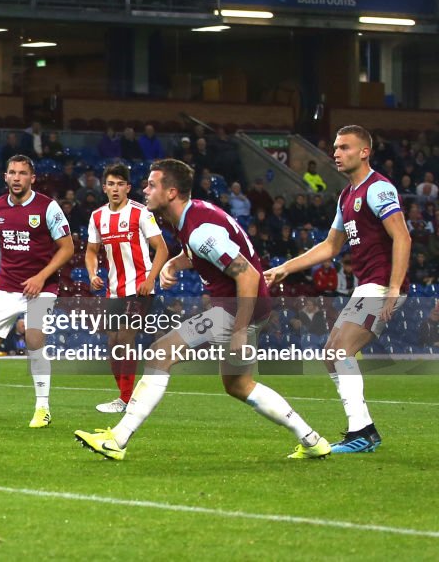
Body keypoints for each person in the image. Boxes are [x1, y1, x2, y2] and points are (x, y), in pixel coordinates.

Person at [75, 158, 331, 460]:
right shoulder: (191, 218)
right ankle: (312, 440)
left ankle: (117, 439)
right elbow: (204, 253)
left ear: (171, 192)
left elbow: (246, 274)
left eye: (152, 185)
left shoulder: (199, 230)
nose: (144, 190)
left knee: (160, 353)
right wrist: (175, 262)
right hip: (247, 306)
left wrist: (238, 331)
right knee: (238, 385)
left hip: (237, 307)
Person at [265, 125, 410, 454]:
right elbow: (330, 246)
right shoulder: (346, 196)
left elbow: (403, 236)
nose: (336, 153)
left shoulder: (378, 189)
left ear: (364, 152)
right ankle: (364, 431)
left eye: (344, 147)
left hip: (382, 284)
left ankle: (362, 432)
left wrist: (394, 288)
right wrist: (285, 268)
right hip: (368, 286)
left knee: (338, 351)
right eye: (335, 147)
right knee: (332, 353)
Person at [0, 154, 74, 428]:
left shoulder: (48, 208)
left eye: (22, 173)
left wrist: (41, 276)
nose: (16, 178)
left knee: (35, 338)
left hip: (42, 287)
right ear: (5, 177)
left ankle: (42, 407)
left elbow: (67, 247)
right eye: (12, 172)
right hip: (6, 287)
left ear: (32, 178)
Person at [85, 163, 169, 413]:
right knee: (113, 341)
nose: (115, 189)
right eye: (111, 184)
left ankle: (126, 399)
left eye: (120, 184)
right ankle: (124, 396)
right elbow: (91, 251)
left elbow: (162, 248)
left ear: (128, 188)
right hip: (113, 290)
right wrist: (92, 274)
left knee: (124, 336)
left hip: (139, 288)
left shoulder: (141, 213)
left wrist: (151, 279)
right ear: (104, 187)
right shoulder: (97, 216)